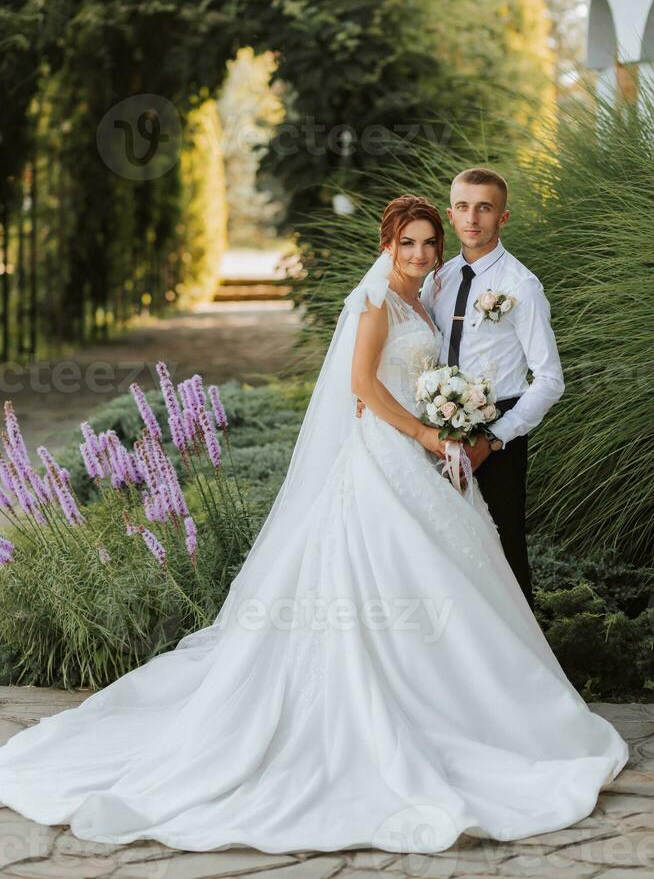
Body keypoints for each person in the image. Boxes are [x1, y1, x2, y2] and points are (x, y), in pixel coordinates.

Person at [0, 195, 628, 856]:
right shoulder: (375, 302)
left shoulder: (426, 298)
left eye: (427, 244)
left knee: (455, 572)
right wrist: (422, 430)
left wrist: (449, 421)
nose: (419, 254)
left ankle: (478, 708)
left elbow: (434, 371)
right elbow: (361, 384)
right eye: (407, 242)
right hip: (385, 457)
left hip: (424, 455)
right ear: (387, 244)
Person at [420, 168, 565, 611]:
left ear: (503, 216)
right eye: (463, 207)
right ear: (450, 214)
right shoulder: (437, 280)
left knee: (503, 544)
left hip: (498, 429)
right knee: (442, 544)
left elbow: (550, 379)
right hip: (438, 428)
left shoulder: (521, 286)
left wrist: (496, 437)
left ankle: (524, 658)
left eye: (484, 207)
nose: (472, 218)